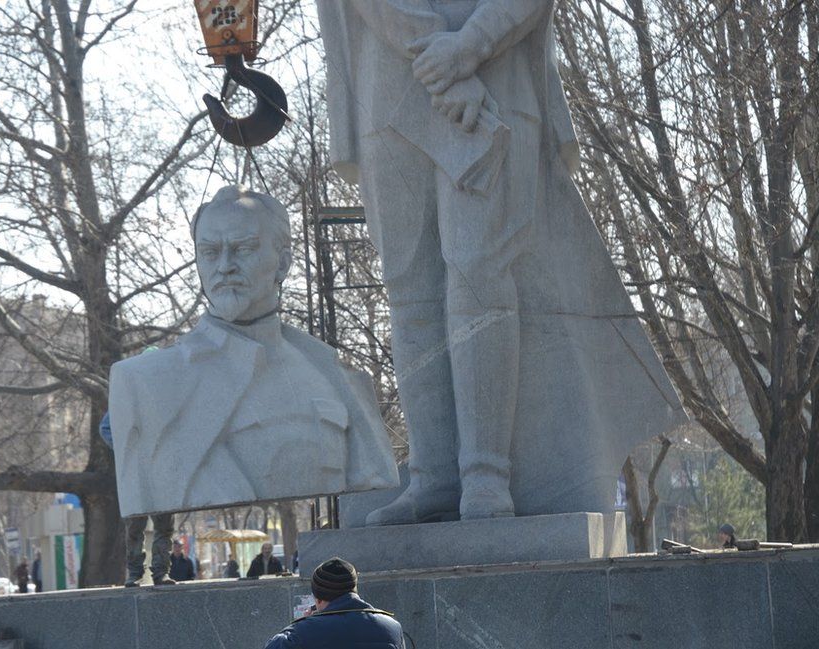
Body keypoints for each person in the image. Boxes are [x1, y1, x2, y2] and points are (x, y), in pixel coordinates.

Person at [316, 0, 686, 524]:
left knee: (478, 271)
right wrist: (437, 57)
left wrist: (470, 46)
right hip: (389, 87)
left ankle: (486, 477)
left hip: (498, 80)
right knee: (408, 286)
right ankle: (433, 477)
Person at [108, 186, 398, 517]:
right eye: (210, 252)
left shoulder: (332, 375)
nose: (225, 266)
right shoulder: (145, 383)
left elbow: (373, 472)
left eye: (243, 249)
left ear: (283, 264)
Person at [100, 410, 177, 586]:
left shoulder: (162, 395)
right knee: (135, 526)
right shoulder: (130, 392)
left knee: (164, 526)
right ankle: (135, 573)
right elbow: (105, 428)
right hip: (135, 472)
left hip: (161, 470)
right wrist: (127, 448)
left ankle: (161, 572)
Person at [264, 557, 405, 649]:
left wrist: (299, 624)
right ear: (354, 590)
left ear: (318, 599)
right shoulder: (392, 627)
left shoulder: (303, 632)